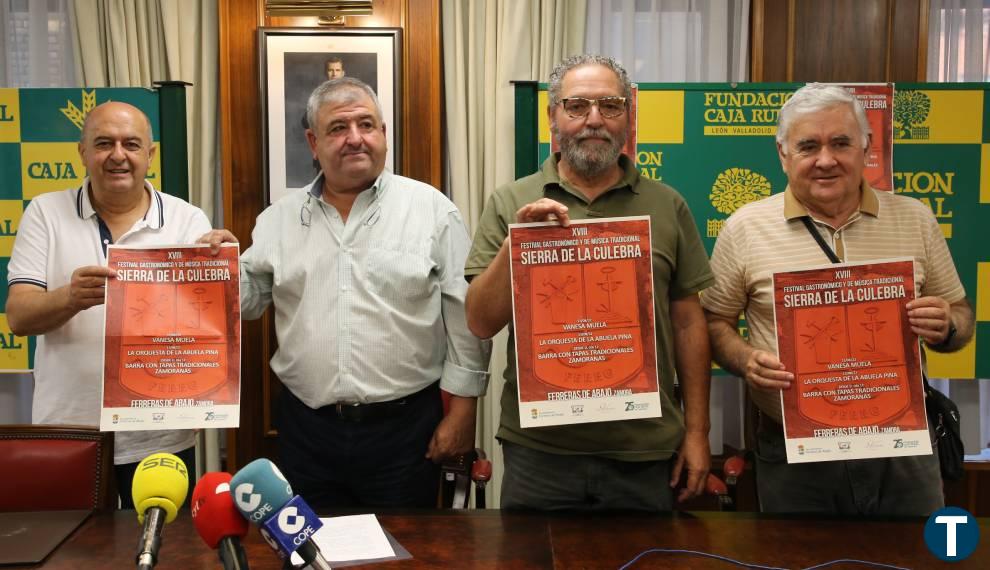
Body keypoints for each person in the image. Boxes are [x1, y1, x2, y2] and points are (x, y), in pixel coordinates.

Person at [701, 82, 975, 516]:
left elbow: (962, 316)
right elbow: (713, 322)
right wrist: (744, 359)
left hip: (901, 451)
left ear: (866, 148)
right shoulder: (745, 228)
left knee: (915, 560)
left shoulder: (915, 217)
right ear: (782, 154)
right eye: (808, 145)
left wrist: (948, 326)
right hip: (795, 451)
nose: (825, 160)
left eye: (841, 143)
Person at [464, 55, 713, 511]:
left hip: (645, 450)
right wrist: (518, 242)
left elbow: (688, 325)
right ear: (553, 116)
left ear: (628, 116)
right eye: (577, 106)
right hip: (541, 452)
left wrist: (698, 432)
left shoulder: (667, 204)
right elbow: (480, 322)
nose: (594, 119)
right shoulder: (511, 200)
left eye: (610, 106)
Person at [235, 77, 490, 508]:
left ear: (384, 135)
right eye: (338, 128)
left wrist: (464, 413)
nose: (355, 139)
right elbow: (245, 303)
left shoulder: (432, 211)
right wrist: (214, 264)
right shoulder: (277, 220)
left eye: (366, 125)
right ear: (313, 142)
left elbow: (466, 318)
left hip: (406, 432)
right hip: (306, 432)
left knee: (406, 554)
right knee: (311, 550)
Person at [5, 101, 213, 506]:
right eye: (103, 143)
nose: (118, 155)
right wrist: (70, 298)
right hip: (71, 429)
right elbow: (18, 317)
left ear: (150, 155)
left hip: (160, 431)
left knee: (163, 555)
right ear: (82, 152)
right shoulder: (45, 213)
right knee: (72, 557)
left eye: (131, 144)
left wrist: (221, 268)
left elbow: (205, 330)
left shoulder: (188, 221)